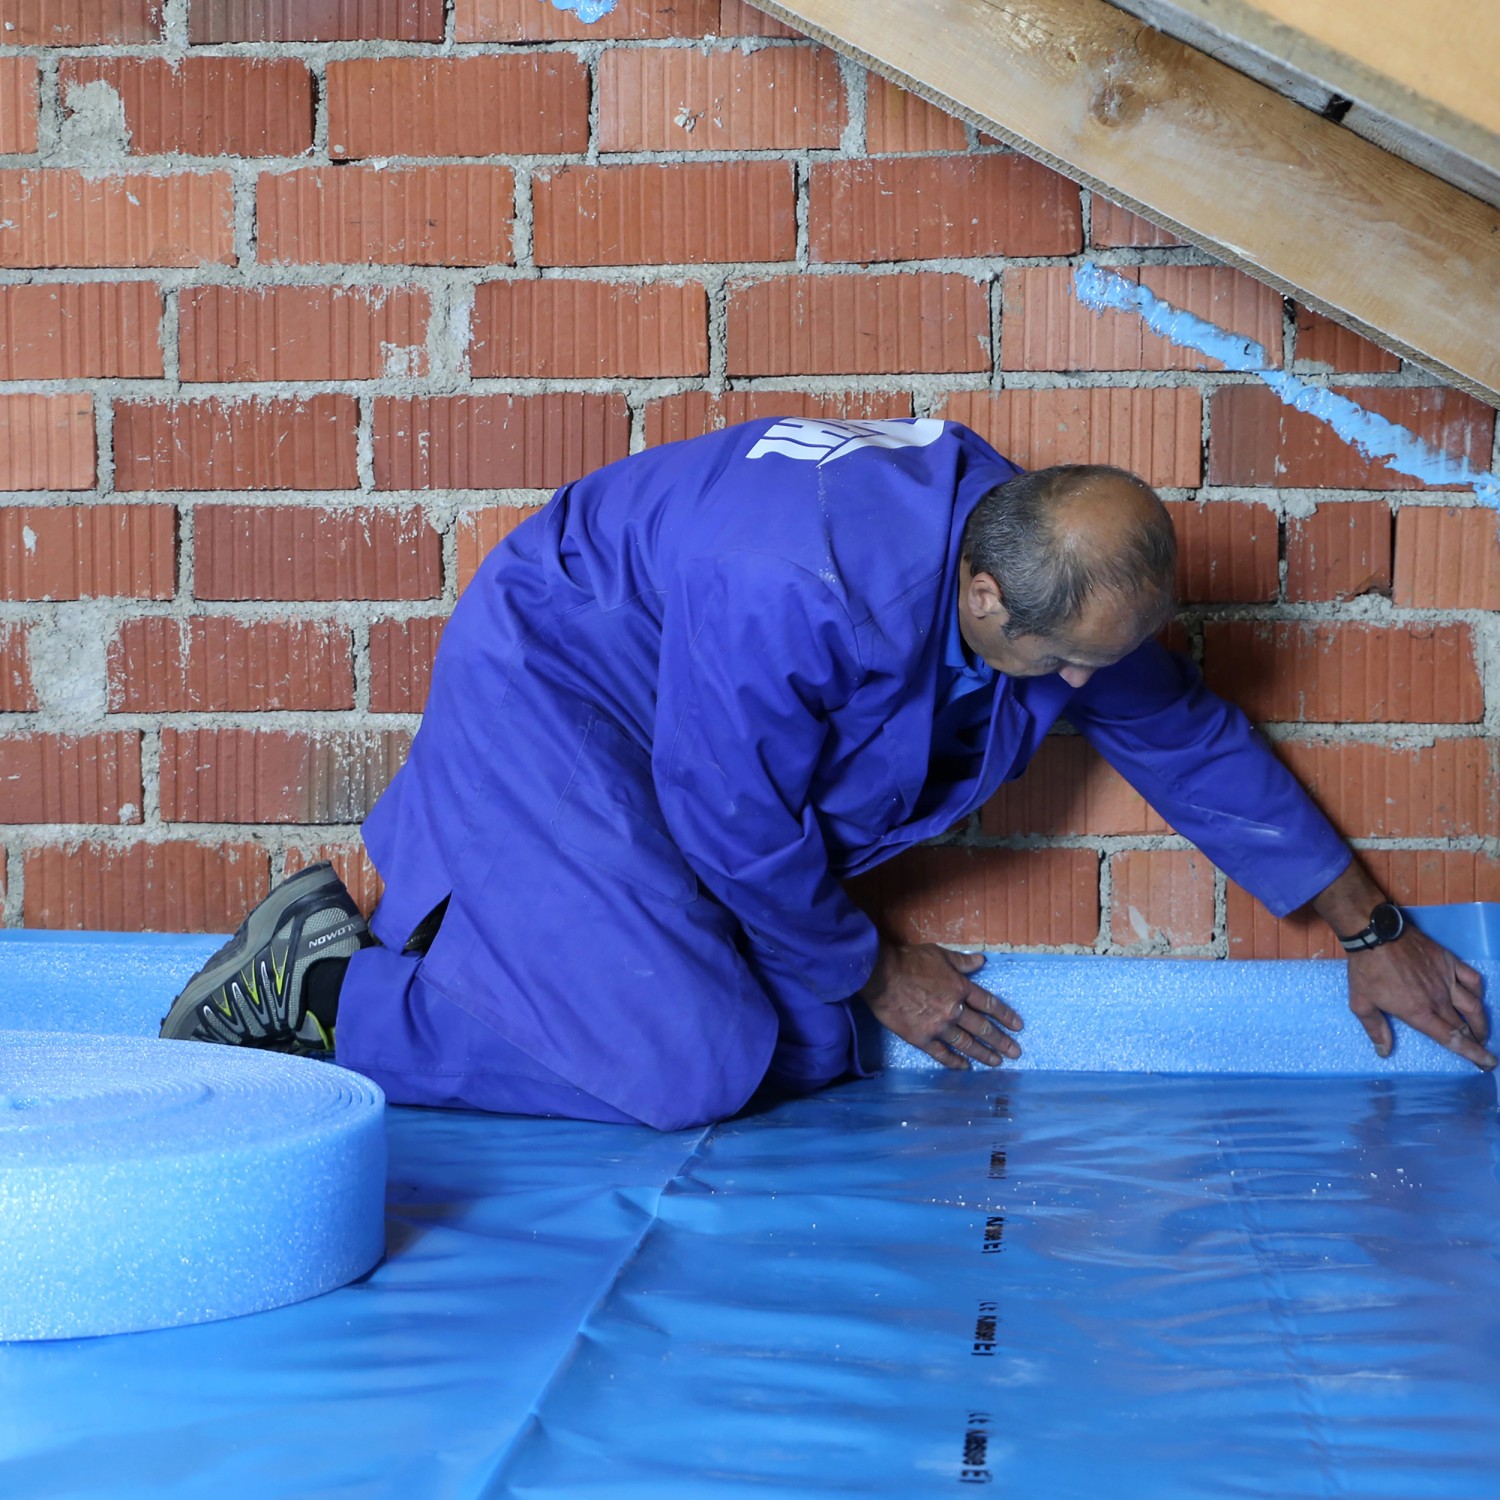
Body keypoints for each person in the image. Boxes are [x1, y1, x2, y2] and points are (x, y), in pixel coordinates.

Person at [160, 417, 1492, 1129]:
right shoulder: (799, 588)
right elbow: (729, 822)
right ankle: (330, 993)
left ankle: (467, 947)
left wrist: (1366, 928)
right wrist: (876, 963)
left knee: (803, 1051)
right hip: (567, 695)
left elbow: (1185, 732)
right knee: (696, 1073)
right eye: (1073, 670)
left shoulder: (1055, 575)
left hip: (689, 731)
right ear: (984, 594)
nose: (1099, 688)